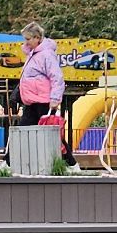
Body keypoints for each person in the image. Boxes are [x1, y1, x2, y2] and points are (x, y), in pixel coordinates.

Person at [17, 22, 71, 164]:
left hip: (43, 101)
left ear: (37, 38)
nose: (26, 42)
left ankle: (70, 162)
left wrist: (55, 98)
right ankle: (8, 161)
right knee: (23, 131)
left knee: (49, 133)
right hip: (33, 100)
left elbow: (56, 77)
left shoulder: (46, 55)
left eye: (28, 39)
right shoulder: (33, 54)